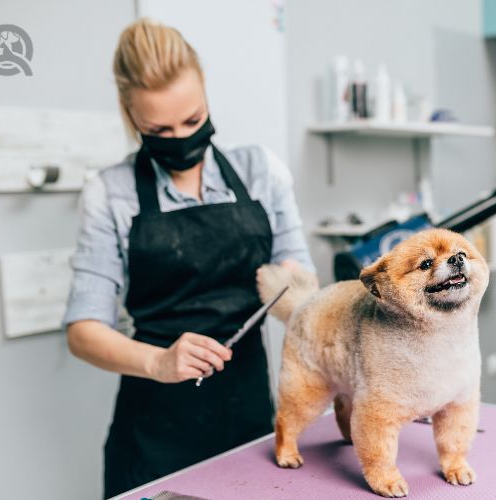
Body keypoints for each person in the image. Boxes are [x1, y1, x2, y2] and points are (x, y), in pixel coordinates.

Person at [62, 18, 313, 497]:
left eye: (193, 120)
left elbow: (302, 281)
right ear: (129, 114)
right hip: (155, 434)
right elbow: (83, 332)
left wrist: (297, 290)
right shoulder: (109, 194)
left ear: (206, 98)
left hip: (251, 419)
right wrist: (160, 363)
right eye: (159, 128)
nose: (180, 138)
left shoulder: (261, 172)